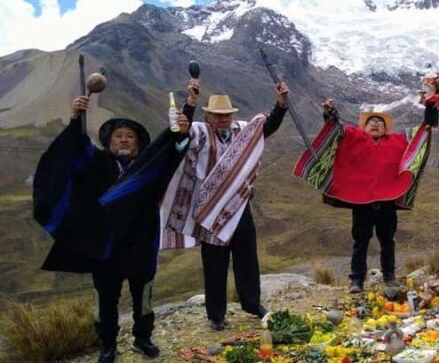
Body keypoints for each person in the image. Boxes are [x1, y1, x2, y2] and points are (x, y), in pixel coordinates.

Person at [33, 89, 193, 363]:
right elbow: (73, 151)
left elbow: (174, 149)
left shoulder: (150, 166)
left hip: (142, 241)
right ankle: (107, 345)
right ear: (109, 141)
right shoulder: (96, 162)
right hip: (105, 244)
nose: (124, 140)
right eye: (118, 136)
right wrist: (75, 118)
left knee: (143, 297)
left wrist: (182, 128)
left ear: (139, 145)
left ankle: (143, 339)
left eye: (129, 137)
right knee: (106, 299)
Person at [160, 83, 289, 331]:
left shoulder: (242, 129)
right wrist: (189, 104)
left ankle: (252, 304)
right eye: (218, 115)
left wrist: (281, 105)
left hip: (240, 207)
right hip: (211, 209)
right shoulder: (199, 131)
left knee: (247, 257)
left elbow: (266, 127)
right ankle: (216, 314)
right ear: (208, 116)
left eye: (227, 115)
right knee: (215, 263)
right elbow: (181, 134)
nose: (223, 119)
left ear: (233, 116)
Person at [293, 98, 434, 293]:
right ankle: (356, 280)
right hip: (362, 202)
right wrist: (330, 113)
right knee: (361, 241)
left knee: (387, 241)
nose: (375, 124)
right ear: (364, 127)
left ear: (386, 129)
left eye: (380, 123)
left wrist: (431, 107)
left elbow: (421, 134)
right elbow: (337, 129)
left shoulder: (398, 141)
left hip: (387, 202)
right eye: (371, 122)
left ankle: (389, 276)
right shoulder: (354, 137)